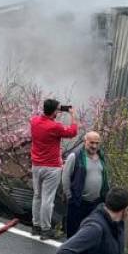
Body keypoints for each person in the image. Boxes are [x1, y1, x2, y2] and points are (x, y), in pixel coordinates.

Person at [30, 98, 78, 240]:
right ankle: (46, 229)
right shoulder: (54, 127)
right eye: (58, 109)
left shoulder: (33, 121)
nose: (59, 111)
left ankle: (36, 225)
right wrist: (73, 116)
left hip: (36, 165)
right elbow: (72, 132)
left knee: (37, 195)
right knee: (47, 199)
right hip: (51, 167)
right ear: (54, 112)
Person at [61, 131, 110, 238]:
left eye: (97, 143)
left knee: (89, 233)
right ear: (85, 141)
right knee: (73, 232)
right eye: (91, 143)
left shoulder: (101, 157)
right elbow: (65, 177)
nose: (94, 146)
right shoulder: (75, 156)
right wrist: (69, 196)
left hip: (96, 203)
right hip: (78, 202)